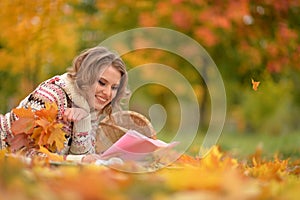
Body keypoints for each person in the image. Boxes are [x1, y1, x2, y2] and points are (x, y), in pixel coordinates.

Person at [0, 46, 129, 163]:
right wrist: (80, 160)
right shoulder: (49, 96)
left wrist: (83, 121)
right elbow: (23, 153)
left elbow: (85, 160)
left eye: (114, 88)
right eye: (101, 82)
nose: (107, 93)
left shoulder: (90, 109)